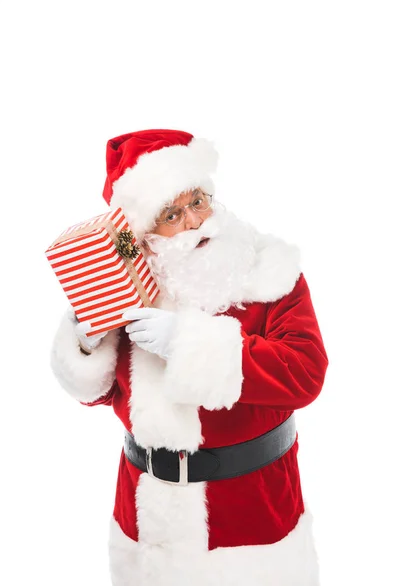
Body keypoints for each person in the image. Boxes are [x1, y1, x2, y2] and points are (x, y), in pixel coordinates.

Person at [50, 128, 329, 586]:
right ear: (143, 235)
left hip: (252, 521)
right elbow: (100, 395)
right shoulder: (133, 290)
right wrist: (86, 342)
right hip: (147, 525)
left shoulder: (268, 270)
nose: (195, 221)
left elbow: (306, 373)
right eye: (171, 214)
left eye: (197, 200)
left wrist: (189, 344)